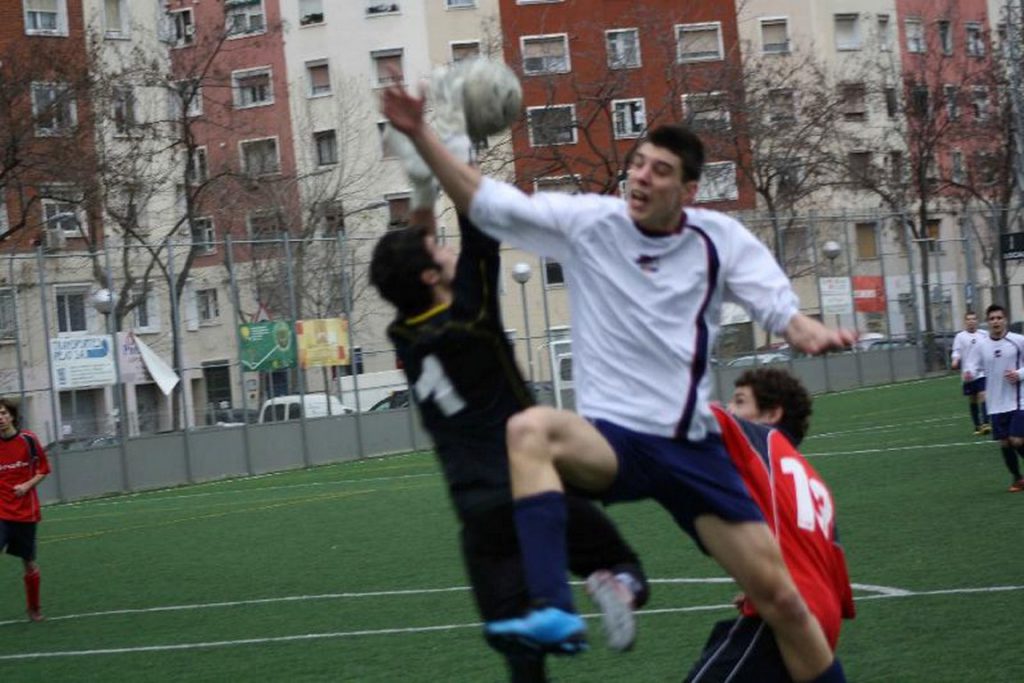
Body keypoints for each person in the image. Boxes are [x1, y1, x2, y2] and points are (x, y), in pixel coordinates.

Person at [381, 82, 854, 683]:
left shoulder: (718, 239)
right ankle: (555, 607)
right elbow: (486, 202)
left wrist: (802, 327)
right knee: (529, 430)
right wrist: (422, 134)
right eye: (636, 164)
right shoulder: (590, 223)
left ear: (687, 191)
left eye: (659, 171)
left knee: (784, 603)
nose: (640, 177)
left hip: (692, 449)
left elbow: (774, 301)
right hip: (616, 444)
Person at [368, 143, 648, 681]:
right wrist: (454, 156)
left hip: (477, 514)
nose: (447, 249)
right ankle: (616, 585)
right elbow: (479, 220)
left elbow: (420, 257)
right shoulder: (473, 319)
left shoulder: (403, 335)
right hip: (534, 491)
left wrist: (422, 182)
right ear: (430, 277)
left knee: (524, 660)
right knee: (626, 564)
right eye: (438, 250)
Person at [686, 368, 856, 682]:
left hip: (786, 612)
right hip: (823, 622)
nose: (731, 407)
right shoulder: (813, 479)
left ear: (772, 414)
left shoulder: (760, 438)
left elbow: (702, 414)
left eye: (739, 401)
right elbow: (837, 580)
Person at [963, 304, 1024, 492]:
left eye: (999, 318)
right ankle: (1017, 479)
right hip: (996, 403)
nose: (996, 321)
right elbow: (972, 365)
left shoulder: (1018, 341)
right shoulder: (982, 345)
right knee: (1005, 443)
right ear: (988, 322)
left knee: (1016, 440)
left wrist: (1020, 374)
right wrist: (969, 373)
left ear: (1005, 320)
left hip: (1018, 399)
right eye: (992, 319)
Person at [0, 398, 49, 622]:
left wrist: (26, 485)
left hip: (25, 513)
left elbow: (43, 469)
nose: (0, 418)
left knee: (28, 562)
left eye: (2, 413)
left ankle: (34, 608)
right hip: (1, 512)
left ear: (10, 415)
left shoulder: (28, 440)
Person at [950, 311, 990, 436]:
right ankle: (977, 425)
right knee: (973, 399)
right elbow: (956, 351)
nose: (971, 321)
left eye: (973, 319)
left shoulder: (984, 334)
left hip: (982, 372)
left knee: (983, 395)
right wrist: (955, 360)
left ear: (977, 321)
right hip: (968, 374)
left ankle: (986, 423)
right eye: (969, 319)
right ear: (965, 322)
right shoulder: (960, 337)